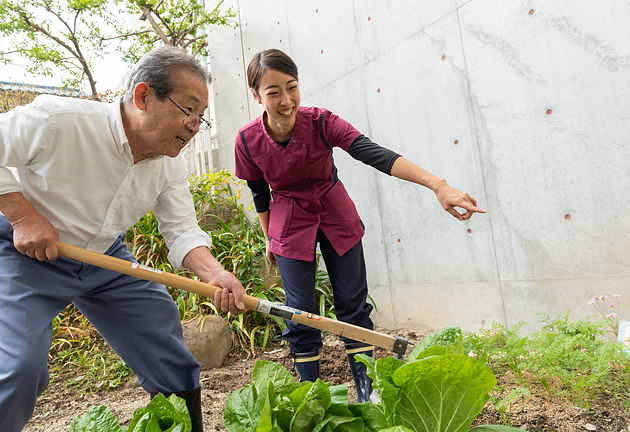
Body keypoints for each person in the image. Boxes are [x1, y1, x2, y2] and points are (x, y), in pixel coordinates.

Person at [0, 45, 246, 432]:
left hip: (104, 257)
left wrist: (214, 274)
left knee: (163, 337)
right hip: (24, 253)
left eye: (202, 117)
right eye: (188, 109)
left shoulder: (170, 163)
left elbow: (181, 229)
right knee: (16, 368)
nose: (195, 125)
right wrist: (22, 214)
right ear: (143, 96)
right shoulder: (59, 120)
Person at [234, 48, 486, 403]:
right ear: (257, 96)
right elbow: (260, 193)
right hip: (288, 221)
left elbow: (373, 153)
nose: (286, 100)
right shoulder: (246, 141)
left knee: (353, 309)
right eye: (274, 92)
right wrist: (269, 238)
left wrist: (438, 185)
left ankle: (367, 397)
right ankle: (311, 400)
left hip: (334, 213)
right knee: (300, 314)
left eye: (292, 87)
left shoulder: (321, 122)